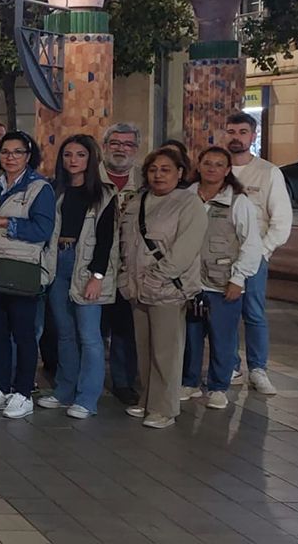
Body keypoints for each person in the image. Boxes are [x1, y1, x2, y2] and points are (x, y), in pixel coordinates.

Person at [120, 147, 207, 429]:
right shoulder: (138, 201)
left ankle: (164, 408)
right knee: (144, 348)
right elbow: (125, 242)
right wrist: (125, 277)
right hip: (136, 287)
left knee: (166, 351)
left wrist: (159, 276)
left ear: (180, 173)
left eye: (166, 169)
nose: (159, 175)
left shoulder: (188, 204)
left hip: (167, 288)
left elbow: (185, 249)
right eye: (153, 169)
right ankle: (147, 399)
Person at [0, 131, 55, 420]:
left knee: (24, 335)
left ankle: (23, 392)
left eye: (17, 152)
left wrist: (5, 222)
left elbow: (42, 230)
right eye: (5, 152)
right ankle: (0, 387)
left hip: (23, 269)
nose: (10, 157)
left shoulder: (39, 188)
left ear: (28, 155)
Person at [37, 135, 117, 419]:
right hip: (58, 261)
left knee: (90, 336)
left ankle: (87, 398)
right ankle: (64, 390)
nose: (73, 160)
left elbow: (106, 241)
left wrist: (96, 275)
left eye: (80, 155)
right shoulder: (53, 190)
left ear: (91, 159)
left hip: (86, 266)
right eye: (68, 154)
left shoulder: (104, 195)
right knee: (64, 334)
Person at [182, 146, 263, 410]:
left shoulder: (239, 202)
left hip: (222, 282)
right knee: (191, 337)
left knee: (222, 338)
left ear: (227, 170)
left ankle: (218, 386)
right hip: (190, 283)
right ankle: (190, 382)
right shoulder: (187, 197)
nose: (212, 169)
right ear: (199, 166)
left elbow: (251, 243)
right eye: (207, 163)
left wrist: (238, 279)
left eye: (218, 165)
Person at [224, 111, 291, 395]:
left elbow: (281, 220)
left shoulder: (268, 172)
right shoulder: (215, 168)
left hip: (254, 258)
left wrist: (261, 252)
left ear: (252, 136)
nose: (236, 137)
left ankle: (258, 369)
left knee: (253, 313)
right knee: (223, 314)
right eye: (231, 131)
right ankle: (229, 365)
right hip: (218, 257)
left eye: (242, 132)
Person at [100, 122, 143, 406]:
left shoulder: (145, 183)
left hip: (130, 267)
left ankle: (124, 382)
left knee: (126, 329)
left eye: (127, 144)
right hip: (94, 266)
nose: (121, 149)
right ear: (105, 146)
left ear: (135, 150)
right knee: (91, 330)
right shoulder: (90, 178)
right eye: (115, 143)